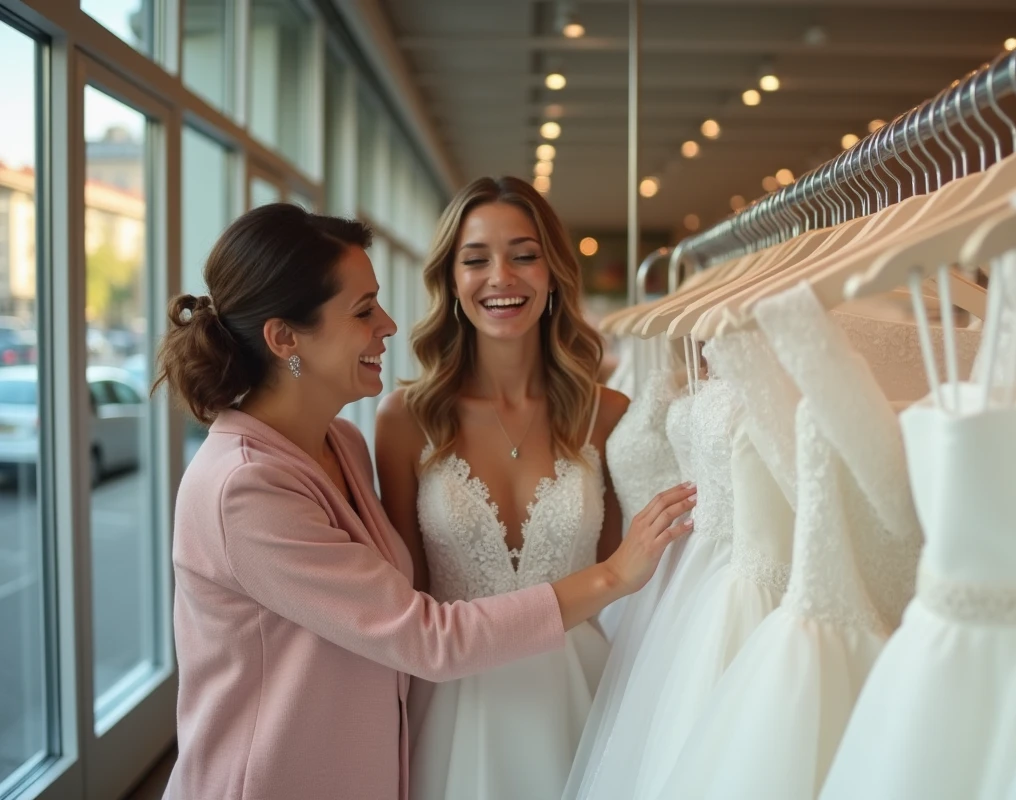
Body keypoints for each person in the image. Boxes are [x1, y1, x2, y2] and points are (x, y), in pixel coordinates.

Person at [153, 202, 694, 800]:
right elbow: (422, 634)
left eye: (377, 302)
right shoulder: (242, 489)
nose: (387, 324)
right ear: (285, 339)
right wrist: (615, 575)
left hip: (382, 759)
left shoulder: (342, 443)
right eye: (363, 311)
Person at [373, 176, 633, 799]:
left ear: (553, 273)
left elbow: (616, 574)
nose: (501, 278)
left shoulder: (610, 414)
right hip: (454, 710)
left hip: (585, 700)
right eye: (476, 259)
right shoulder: (406, 419)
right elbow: (407, 592)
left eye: (523, 255)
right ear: (451, 279)